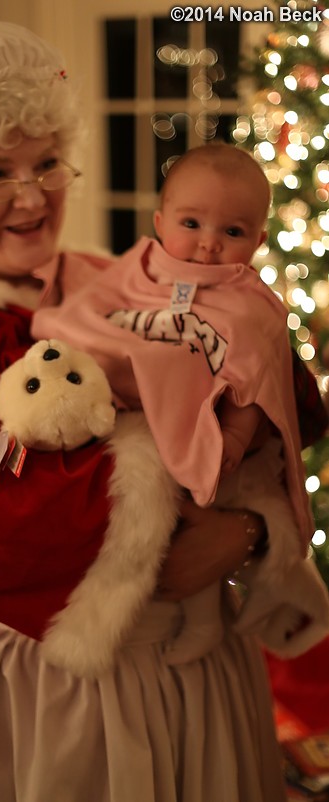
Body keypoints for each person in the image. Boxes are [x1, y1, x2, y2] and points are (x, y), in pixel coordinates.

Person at [0, 20, 326, 802]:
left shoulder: (118, 280)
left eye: (44, 165)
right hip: (26, 702)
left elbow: (279, 402)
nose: (32, 196)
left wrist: (247, 532)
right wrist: (191, 499)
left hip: (195, 681)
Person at [32, 142, 328, 663]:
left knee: (200, 518)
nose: (209, 245)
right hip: (139, 416)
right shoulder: (138, 270)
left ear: (258, 240)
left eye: (232, 232)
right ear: (160, 220)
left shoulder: (250, 304)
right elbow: (91, 312)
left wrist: (233, 438)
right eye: (192, 224)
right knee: (151, 508)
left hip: (211, 439)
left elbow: (258, 382)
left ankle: (207, 621)